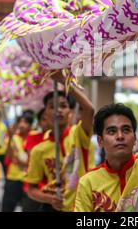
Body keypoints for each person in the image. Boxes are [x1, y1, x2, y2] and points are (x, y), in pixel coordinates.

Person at [26, 71, 94, 212]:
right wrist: (50, 199)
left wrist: (64, 80)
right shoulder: (38, 150)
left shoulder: (78, 134)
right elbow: (31, 189)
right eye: (52, 106)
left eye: (63, 105)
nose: (58, 110)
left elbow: (89, 109)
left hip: (82, 207)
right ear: (45, 114)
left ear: (70, 112)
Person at [1, 114, 33, 212]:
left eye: (25, 122)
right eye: (20, 122)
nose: (22, 125)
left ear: (31, 125)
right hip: (13, 178)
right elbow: (7, 157)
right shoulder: (13, 138)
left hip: (29, 180)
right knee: (7, 207)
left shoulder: (35, 137)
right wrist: (10, 138)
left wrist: (24, 162)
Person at [21, 108, 49, 212]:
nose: (46, 122)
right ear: (39, 122)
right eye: (43, 119)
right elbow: (32, 160)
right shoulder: (33, 137)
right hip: (35, 188)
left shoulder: (61, 139)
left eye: (48, 118)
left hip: (53, 192)